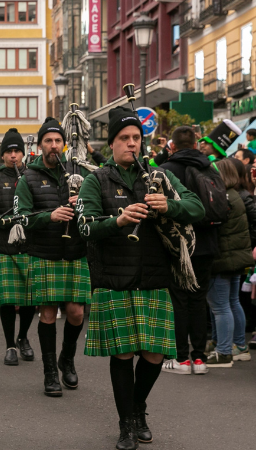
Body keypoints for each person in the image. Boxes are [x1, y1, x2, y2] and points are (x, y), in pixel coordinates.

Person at [78, 106, 204, 449]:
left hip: (154, 276)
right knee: (122, 354)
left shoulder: (158, 175)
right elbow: (84, 227)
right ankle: (125, 425)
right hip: (114, 279)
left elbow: (198, 207)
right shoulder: (97, 180)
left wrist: (169, 205)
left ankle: (138, 407)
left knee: (153, 355)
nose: (131, 144)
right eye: (124, 138)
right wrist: (116, 221)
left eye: (136, 138)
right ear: (113, 142)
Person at [13, 117, 92, 397]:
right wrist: (49, 216)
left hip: (75, 252)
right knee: (47, 314)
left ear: (64, 144)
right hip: (44, 253)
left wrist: (80, 203)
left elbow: (96, 208)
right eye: (49, 140)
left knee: (76, 312)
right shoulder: (29, 177)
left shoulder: (78, 172)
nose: (54, 145)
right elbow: (20, 216)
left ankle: (66, 358)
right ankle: (49, 372)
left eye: (58, 140)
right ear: (40, 144)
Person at [158, 126, 221, 375]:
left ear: (172, 146)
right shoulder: (209, 167)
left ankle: (180, 359)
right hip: (207, 244)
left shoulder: (167, 170)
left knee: (178, 300)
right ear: (196, 145)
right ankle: (199, 358)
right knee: (198, 300)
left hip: (179, 245)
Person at [0, 128, 36, 365]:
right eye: (9, 151)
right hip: (2, 246)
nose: (13, 155)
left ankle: (23, 336)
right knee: (7, 298)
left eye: (17, 151)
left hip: (28, 246)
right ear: (2, 155)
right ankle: (10, 345)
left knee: (28, 299)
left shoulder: (33, 176)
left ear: (22, 154)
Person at [205, 158, 254, 367]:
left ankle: (224, 351)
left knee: (220, 306)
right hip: (235, 257)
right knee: (232, 302)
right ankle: (239, 345)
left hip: (223, 258)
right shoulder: (235, 195)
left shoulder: (223, 197)